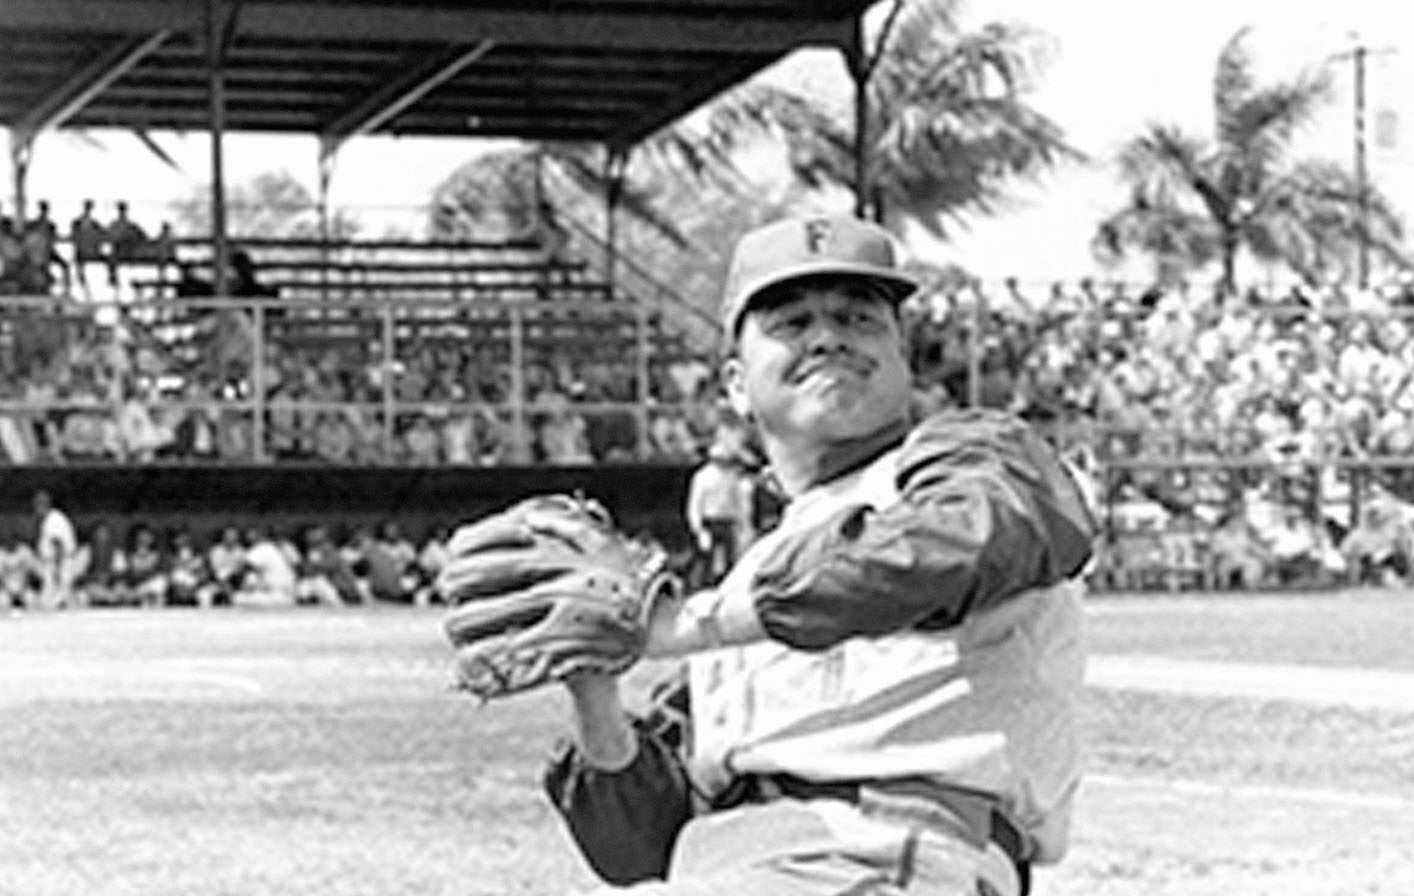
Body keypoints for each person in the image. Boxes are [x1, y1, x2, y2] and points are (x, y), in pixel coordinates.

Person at [521, 216, 1097, 896]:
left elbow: (962, 539)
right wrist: (593, 688)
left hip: (883, 857)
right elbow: (636, 846)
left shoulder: (972, 458)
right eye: (790, 322)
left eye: (858, 317)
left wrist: (677, 627)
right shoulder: (750, 577)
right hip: (727, 868)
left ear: (901, 360)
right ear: (736, 385)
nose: (827, 335)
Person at [683, 424, 757, 587]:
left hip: (728, 523)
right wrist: (699, 530)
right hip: (710, 522)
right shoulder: (702, 477)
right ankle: (700, 587)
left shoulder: (732, 478)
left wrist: (744, 524)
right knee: (705, 561)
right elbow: (694, 506)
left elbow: (739, 503)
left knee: (731, 562)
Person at [33, 489, 79, 610]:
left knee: (52, 602)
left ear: (46, 504)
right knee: (50, 602)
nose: (36, 508)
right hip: (55, 565)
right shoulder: (48, 519)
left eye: (39, 504)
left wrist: (57, 571)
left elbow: (58, 545)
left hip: (60, 564)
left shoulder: (54, 519)